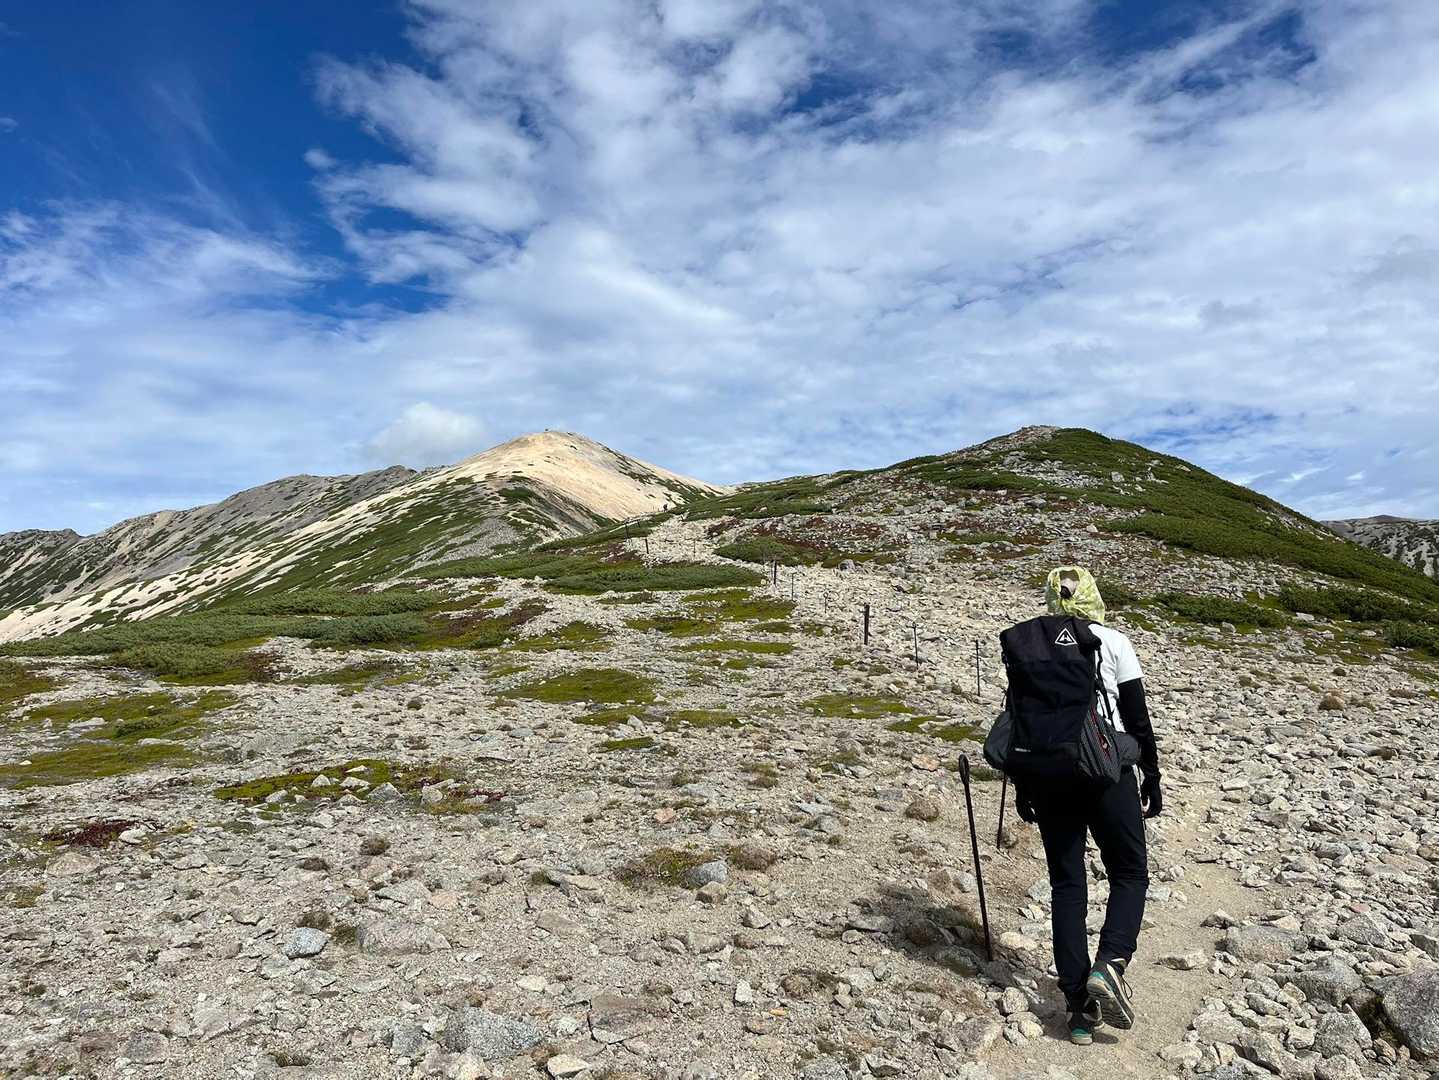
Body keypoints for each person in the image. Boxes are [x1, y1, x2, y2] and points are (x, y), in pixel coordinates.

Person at [1014, 567, 1162, 1045]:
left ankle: (1079, 1010)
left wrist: (1023, 787)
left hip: (1047, 775)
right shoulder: (1113, 641)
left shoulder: (1032, 648)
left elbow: (1020, 719)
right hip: (1106, 769)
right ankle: (1111, 965)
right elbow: (1137, 717)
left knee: (1067, 885)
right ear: (1094, 596)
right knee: (1129, 872)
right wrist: (1152, 775)